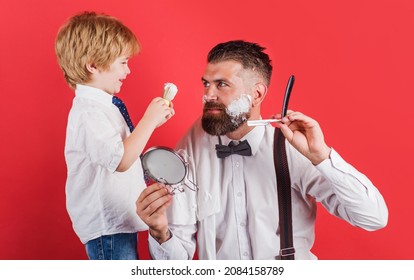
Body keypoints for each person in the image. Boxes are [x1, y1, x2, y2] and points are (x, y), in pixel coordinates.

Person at [136, 40, 388, 260]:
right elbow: (176, 262)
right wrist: (160, 232)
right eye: (206, 84)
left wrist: (322, 157)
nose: (208, 95)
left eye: (221, 84)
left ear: (256, 94)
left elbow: (373, 218)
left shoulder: (291, 148)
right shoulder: (192, 147)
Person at [55, 11, 175, 260]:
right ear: (93, 65)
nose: (128, 70)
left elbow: (127, 148)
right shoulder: (89, 112)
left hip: (118, 224)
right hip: (107, 228)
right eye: (123, 62)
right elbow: (120, 160)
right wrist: (148, 120)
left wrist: (152, 123)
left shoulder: (105, 107)